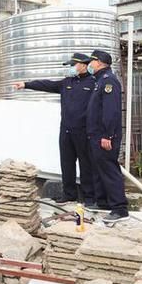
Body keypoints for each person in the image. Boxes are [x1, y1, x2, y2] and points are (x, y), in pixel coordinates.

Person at [13, 53, 95, 205]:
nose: (70, 68)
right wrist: (26, 84)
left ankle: (89, 198)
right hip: (66, 131)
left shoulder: (93, 83)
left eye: (73, 65)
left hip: (83, 131)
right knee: (67, 164)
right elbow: (47, 85)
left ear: (83, 65)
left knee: (86, 165)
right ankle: (69, 194)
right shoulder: (67, 82)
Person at [86, 50, 129, 224]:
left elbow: (111, 112)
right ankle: (103, 202)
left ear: (100, 62)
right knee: (99, 170)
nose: (90, 64)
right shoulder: (100, 80)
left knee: (110, 171)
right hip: (97, 135)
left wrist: (107, 135)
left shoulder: (108, 81)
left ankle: (119, 208)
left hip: (105, 136)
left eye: (92, 61)